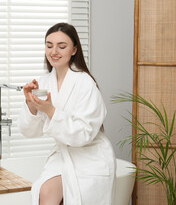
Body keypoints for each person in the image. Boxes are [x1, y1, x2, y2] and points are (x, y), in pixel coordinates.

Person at [17, 22, 116, 205]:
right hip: (63, 156)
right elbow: (29, 131)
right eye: (49, 45)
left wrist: (50, 110)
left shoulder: (85, 83)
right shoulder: (43, 81)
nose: (54, 51)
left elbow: (83, 134)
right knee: (44, 193)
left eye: (61, 46)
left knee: (50, 194)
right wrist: (31, 105)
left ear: (74, 50)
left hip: (90, 156)